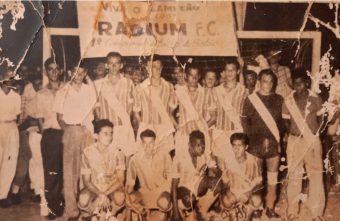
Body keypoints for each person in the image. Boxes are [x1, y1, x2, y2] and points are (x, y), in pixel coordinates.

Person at [53, 61, 97, 221]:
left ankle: (86, 208)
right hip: (71, 131)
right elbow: (59, 117)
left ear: (85, 73)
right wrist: (69, 131)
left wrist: (89, 79)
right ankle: (71, 210)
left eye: (82, 72)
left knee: (87, 171)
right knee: (70, 172)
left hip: (86, 131)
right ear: (70, 72)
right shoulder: (63, 90)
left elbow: (95, 100)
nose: (78, 75)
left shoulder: (88, 89)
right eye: (75, 72)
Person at [282, 69, 325, 221]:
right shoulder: (288, 100)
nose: (298, 85)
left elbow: (321, 119)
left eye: (301, 82)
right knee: (294, 176)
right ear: (292, 83)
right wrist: (295, 135)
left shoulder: (315, 99)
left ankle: (316, 213)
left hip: (312, 140)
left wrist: (314, 135)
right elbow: (286, 121)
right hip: (295, 141)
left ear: (307, 82)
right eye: (295, 82)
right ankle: (292, 212)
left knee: (315, 175)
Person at [241, 69, 283, 218]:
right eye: (265, 81)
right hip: (255, 145)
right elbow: (245, 121)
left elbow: (282, 123)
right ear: (259, 82)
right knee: (256, 179)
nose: (268, 84)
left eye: (271, 81)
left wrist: (278, 140)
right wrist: (251, 140)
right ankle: (256, 207)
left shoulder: (279, 99)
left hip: (273, 143)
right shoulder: (251, 99)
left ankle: (270, 207)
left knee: (273, 179)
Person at [34, 58, 65, 219]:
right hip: (50, 135)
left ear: (61, 71)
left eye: (57, 68)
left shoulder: (68, 89)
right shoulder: (40, 94)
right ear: (46, 72)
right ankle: (53, 207)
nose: (54, 72)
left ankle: (68, 204)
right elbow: (39, 118)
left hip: (66, 133)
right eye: (50, 69)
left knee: (66, 171)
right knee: (51, 173)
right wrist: (46, 134)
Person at [78, 119, 125, 221]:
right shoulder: (87, 152)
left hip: (111, 187)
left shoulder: (118, 152)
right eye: (105, 134)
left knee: (120, 197)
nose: (109, 137)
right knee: (83, 199)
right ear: (96, 135)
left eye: (111, 133)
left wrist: (104, 195)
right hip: (94, 186)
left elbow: (120, 179)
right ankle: (93, 215)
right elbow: (86, 180)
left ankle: (108, 214)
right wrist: (100, 194)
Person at [171, 130, 223, 221]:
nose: (201, 148)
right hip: (182, 190)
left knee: (218, 183)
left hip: (197, 188)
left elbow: (219, 173)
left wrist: (213, 168)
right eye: (198, 145)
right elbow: (173, 186)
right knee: (190, 199)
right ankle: (183, 210)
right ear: (189, 145)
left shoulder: (204, 155)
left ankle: (201, 209)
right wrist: (175, 211)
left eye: (203, 145)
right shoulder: (179, 158)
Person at [95, 52, 138, 157]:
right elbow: (96, 109)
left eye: (117, 63)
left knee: (125, 161)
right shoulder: (98, 84)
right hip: (106, 131)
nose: (113, 66)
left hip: (124, 128)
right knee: (108, 161)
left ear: (121, 65)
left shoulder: (129, 83)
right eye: (111, 63)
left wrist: (129, 127)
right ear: (106, 65)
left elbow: (133, 107)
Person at [126, 129, 172, 220]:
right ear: (141, 144)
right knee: (129, 198)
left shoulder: (164, 155)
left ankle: (164, 215)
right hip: (144, 192)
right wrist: (131, 200)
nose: (148, 147)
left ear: (155, 142)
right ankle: (141, 214)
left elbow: (171, 178)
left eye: (151, 143)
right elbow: (129, 183)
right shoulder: (135, 159)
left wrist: (168, 193)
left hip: (161, 191)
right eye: (144, 143)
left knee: (164, 202)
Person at [210, 58, 248, 169]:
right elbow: (213, 115)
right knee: (222, 168)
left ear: (237, 71)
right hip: (220, 132)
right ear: (223, 72)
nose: (230, 73)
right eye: (227, 70)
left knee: (236, 167)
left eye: (233, 70)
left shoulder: (243, 90)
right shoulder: (216, 91)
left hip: (236, 133)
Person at [134, 55, 177, 152]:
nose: (157, 70)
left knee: (163, 159)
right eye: (154, 67)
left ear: (162, 68)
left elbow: (171, 112)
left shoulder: (169, 87)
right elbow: (136, 113)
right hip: (146, 128)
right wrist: (142, 128)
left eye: (159, 67)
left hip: (164, 128)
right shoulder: (140, 88)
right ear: (148, 68)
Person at [218, 132, 263, 220]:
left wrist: (249, 192)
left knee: (257, 200)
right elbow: (225, 182)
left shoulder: (253, 160)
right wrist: (229, 193)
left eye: (240, 145)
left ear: (246, 147)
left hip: (248, 191)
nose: (236, 149)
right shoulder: (228, 161)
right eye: (234, 145)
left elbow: (259, 181)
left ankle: (248, 215)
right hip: (234, 191)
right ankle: (232, 213)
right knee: (226, 200)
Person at [174, 64, 216, 156]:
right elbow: (169, 112)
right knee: (183, 163)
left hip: (201, 135)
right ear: (186, 76)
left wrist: (203, 127)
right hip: (183, 134)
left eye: (196, 75)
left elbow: (214, 118)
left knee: (202, 162)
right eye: (191, 75)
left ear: (199, 76)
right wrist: (178, 127)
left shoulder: (206, 92)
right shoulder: (179, 92)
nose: (194, 78)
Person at [0, 69, 21, 208]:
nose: (10, 80)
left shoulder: (16, 96)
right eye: (7, 77)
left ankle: (2, 195)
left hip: (12, 127)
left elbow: (18, 115)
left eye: (12, 77)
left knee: (11, 160)